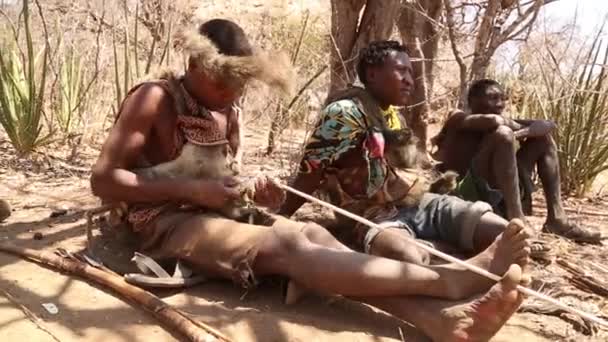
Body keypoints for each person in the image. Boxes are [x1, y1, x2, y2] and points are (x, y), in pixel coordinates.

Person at [90, 20, 529, 341]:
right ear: (195, 65)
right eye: (224, 81)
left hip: (212, 213)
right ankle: (449, 282)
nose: (234, 91)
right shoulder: (155, 98)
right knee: (291, 248)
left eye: (240, 83)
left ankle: (444, 323)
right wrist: (189, 191)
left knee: (314, 233)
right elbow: (104, 181)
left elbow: (220, 179)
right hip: (161, 223)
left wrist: (254, 191)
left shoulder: (229, 112)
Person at [279, 41, 529, 266]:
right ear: (372, 74)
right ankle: (442, 256)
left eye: (410, 72)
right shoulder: (344, 112)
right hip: (374, 216)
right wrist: (281, 215)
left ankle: (437, 249)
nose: (410, 79)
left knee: (504, 233)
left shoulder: (392, 115)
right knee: (407, 258)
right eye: (401, 71)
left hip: (422, 203)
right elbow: (311, 172)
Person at [432, 79, 602, 243]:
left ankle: (557, 220)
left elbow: (548, 125)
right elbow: (494, 121)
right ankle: (516, 220)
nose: (500, 104)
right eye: (492, 98)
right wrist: (519, 131)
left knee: (542, 139)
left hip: (497, 190)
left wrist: (519, 133)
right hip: (466, 193)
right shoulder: (458, 117)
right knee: (503, 134)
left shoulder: (503, 125)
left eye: (502, 99)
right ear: (472, 101)